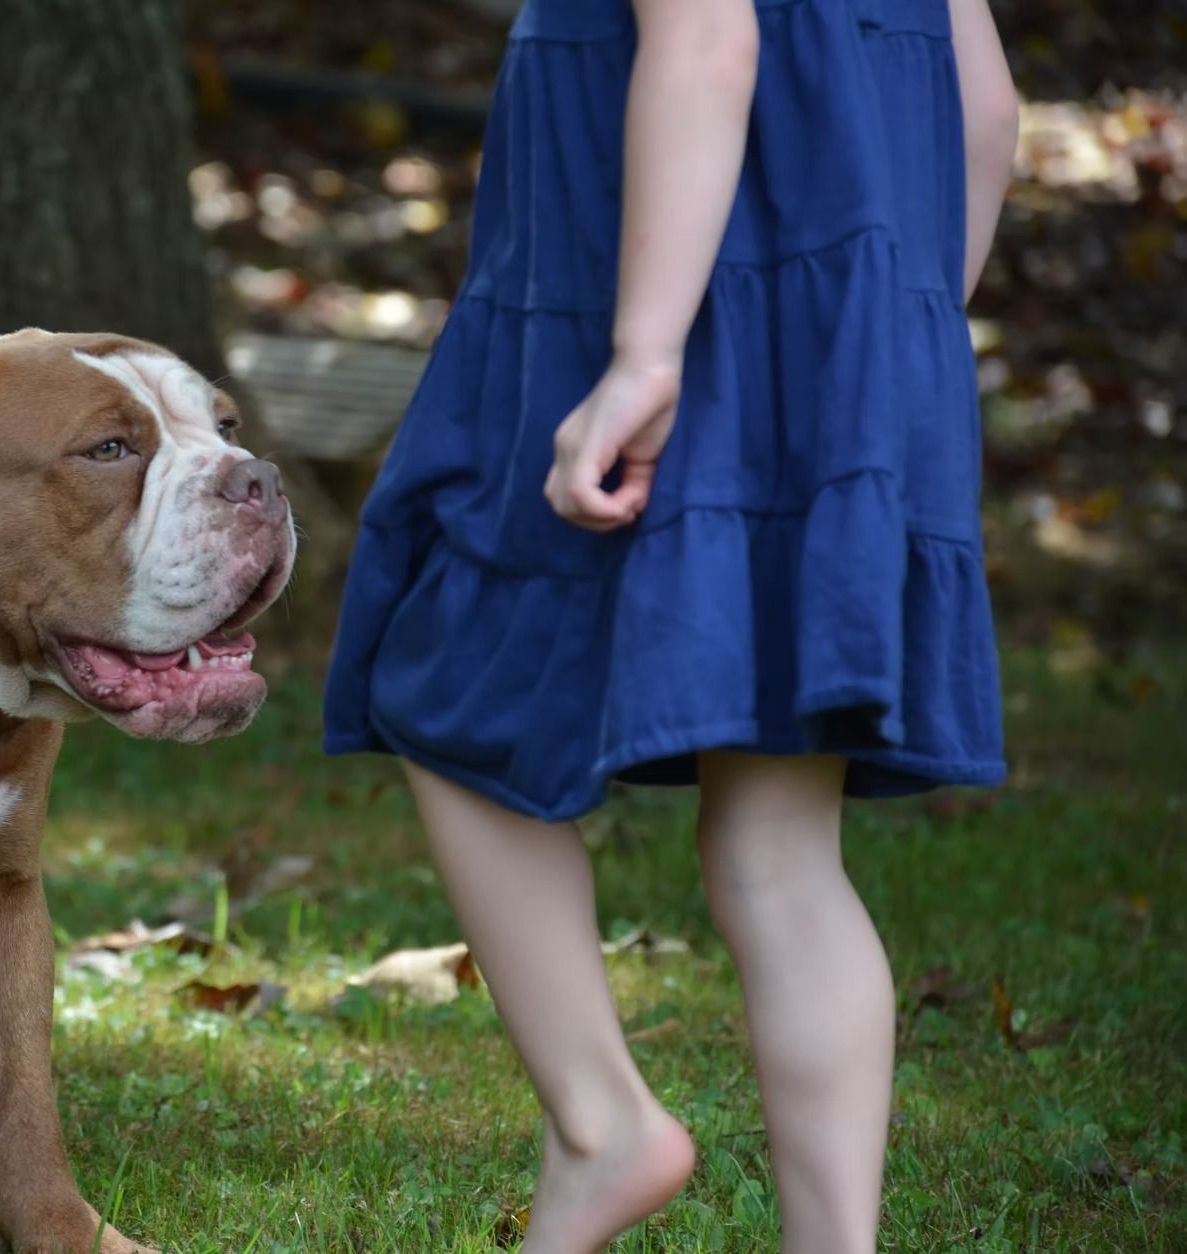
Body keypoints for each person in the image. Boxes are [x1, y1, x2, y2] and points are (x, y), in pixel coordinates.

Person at [322, 0, 1018, 1249]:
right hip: (830, 358)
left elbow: (705, 41)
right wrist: (883, 347)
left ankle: (603, 1125)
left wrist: (645, 357)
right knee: (778, 847)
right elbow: (986, 108)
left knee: (439, 674)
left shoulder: (643, 346)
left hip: (626, 319)